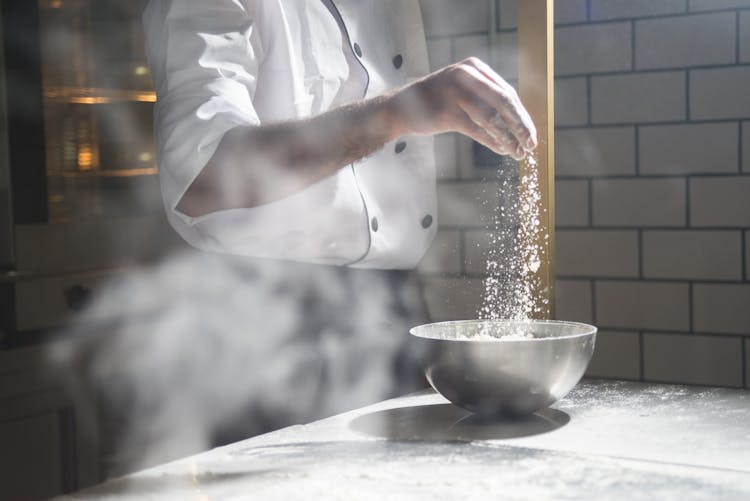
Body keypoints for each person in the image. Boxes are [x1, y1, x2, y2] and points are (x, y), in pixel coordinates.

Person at [136, 0, 537, 449]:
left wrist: (419, 345)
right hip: (262, 328)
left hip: (391, 317)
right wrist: (396, 113)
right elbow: (203, 174)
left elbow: (381, 222)